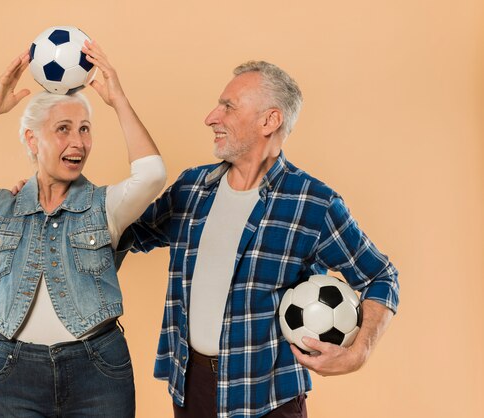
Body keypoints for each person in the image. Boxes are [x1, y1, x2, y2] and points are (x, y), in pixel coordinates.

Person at [119, 61, 400, 417]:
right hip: (191, 390)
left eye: (228, 107)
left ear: (269, 121)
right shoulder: (192, 188)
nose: (211, 117)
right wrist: (49, 191)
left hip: (267, 400)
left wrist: (358, 352)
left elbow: (381, 276)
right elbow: (125, 229)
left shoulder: (313, 203)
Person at [0, 40, 166, 417]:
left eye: (85, 129)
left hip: (98, 371)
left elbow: (152, 173)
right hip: (12, 375)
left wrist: (119, 100)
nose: (78, 142)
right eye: (63, 129)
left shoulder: (106, 206)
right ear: (32, 139)